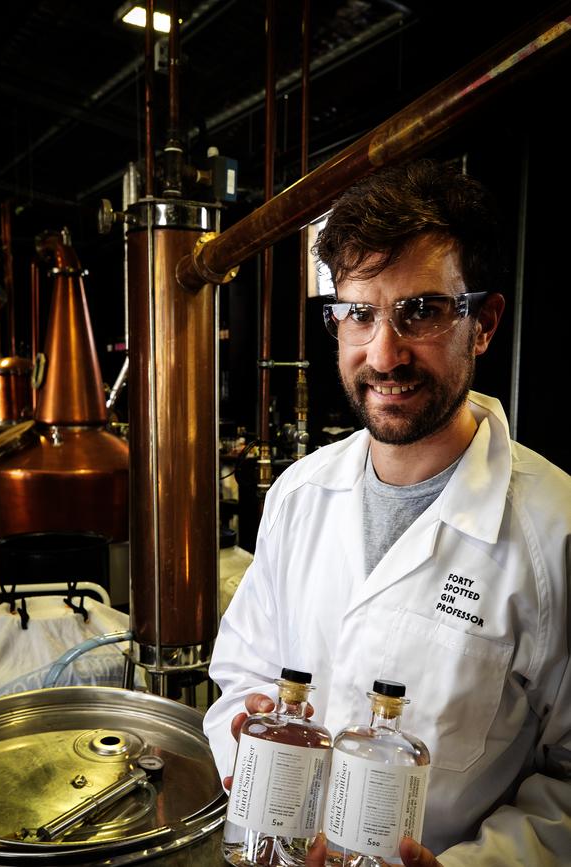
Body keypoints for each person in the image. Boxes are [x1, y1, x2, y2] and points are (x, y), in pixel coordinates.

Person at [203, 158, 571, 865]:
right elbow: (242, 672)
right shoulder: (299, 495)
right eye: (360, 313)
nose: (384, 353)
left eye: (422, 311)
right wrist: (246, 739)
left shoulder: (552, 532)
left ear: (483, 323)